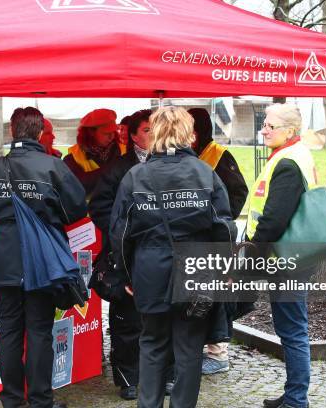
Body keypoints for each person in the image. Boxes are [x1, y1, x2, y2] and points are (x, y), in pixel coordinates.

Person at [110, 106, 236, 408]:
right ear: (187, 134)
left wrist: (128, 275)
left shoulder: (136, 176)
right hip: (196, 267)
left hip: (150, 268)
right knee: (190, 349)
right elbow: (225, 228)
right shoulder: (204, 173)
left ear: (155, 134)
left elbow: (121, 234)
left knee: (152, 344)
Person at [0, 107, 87, 408]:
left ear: (12, 131)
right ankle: (41, 400)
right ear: (40, 132)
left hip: (3, 254)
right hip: (40, 257)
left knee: (9, 328)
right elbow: (77, 208)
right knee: (40, 330)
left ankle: (12, 400)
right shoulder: (52, 166)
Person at [245, 103, 315, 408]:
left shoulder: (288, 162)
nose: (264, 129)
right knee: (290, 327)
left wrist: (251, 254)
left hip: (285, 260)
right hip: (290, 257)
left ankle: (297, 400)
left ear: (290, 130)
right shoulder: (293, 154)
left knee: (292, 330)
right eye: (264, 124)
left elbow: (273, 220)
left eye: (270, 125)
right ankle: (293, 394)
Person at [89, 109, 156, 400]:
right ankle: (128, 377)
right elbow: (100, 207)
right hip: (126, 252)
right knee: (127, 318)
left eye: (156, 129)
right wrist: (121, 233)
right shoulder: (118, 168)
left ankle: (164, 374)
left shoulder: (171, 163)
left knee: (163, 317)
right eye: (146, 130)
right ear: (133, 136)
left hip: (161, 252)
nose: (152, 135)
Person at [187, 108, 249, 375]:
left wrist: (222, 222)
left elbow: (239, 191)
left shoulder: (218, 155)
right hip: (196, 239)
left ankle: (218, 352)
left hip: (215, 238)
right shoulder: (191, 156)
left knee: (218, 296)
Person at [63, 108, 124, 196]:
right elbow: (78, 186)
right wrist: (113, 169)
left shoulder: (125, 149)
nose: (112, 136)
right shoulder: (72, 157)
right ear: (91, 133)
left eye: (113, 132)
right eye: (106, 133)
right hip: (89, 209)